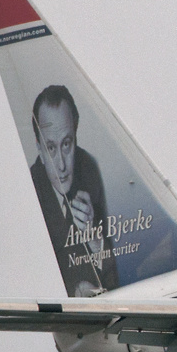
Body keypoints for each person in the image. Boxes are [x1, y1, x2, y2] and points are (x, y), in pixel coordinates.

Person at [28, 85, 119, 296]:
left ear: (76, 137)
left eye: (67, 144)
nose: (61, 164)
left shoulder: (88, 170)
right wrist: (74, 292)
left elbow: (113, 279)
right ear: (39, 149)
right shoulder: (31, 194)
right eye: (51, 148)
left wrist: (94, 241)